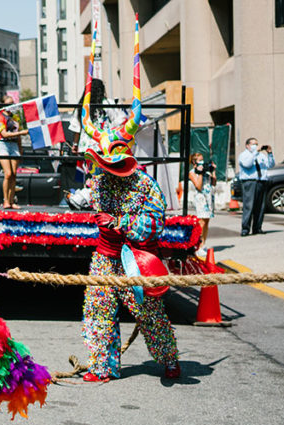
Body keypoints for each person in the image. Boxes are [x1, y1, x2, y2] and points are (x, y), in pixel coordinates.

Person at [75, 19, 181, 382]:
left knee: (148, 308)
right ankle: (103, 367)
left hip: (135, 256)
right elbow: (89, 200)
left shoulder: (145, 184)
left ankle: (168, 359)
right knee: (98, 307)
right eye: (107, 163)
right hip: (105, 255)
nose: (111, 167)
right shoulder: (98, 179)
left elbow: (156, 219)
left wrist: (123, 224)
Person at [0, 94, 27, 209]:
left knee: (14, 174)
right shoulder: (0, 117)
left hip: (14, 145)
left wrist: (20, 147)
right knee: (7, 173)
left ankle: (12, 201)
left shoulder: (15, 117)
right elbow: (4, 134)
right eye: (8, 104)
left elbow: (18, 135)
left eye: (12, 103)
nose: (11, 106)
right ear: (3, 105)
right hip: (3, 144)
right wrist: (21, 133)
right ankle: (6, 200)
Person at [237, 137, 275, 236]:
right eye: (254, 144)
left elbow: (270, 165)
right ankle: (245, 229)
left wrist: (270, 153)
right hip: (249, 181)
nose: (256, 146)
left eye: (257, 144)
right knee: (249, 206)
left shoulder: (261, 156)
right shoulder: (243, 155)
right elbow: (247, 164)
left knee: (260, 206)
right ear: (247, 145)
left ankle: (257, 228)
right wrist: (255, 153)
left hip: (261, 181)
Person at [187, 152, 216, 255]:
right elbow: (198, 186)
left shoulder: (206, 171)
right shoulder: (192, 172)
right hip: (201, 199)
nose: (202, 162)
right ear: (194, 162)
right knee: (201, 223)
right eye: (200, 160)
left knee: (207, 222)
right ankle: (197, 246)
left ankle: (203, 244)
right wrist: (200, 173)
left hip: (209, 198)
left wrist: (213, 170)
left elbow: (214, 182)